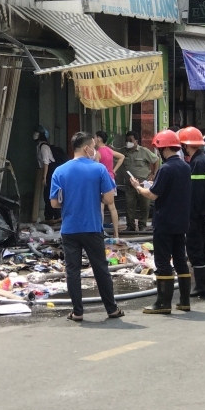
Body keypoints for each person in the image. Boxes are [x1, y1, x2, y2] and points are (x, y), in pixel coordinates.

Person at [50, 132, 123, 321]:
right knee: (100, 268)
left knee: (72, 271)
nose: (95, 150)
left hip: (69, 229)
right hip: (92, 227)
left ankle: (77, 312)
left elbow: (54, 204)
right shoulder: (99, 170)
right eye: (93, 146)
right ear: (86, 148)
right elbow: (108, 199)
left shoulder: (59, 171)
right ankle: (112, 309)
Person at [130, 130, 192, 314]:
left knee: (163, 261)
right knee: (180, 259)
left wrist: (138, 188)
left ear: (164, 148)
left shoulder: (166, 169)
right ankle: (184, 301)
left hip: (165, 221)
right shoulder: (185, 167)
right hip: (181, 221)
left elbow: (153, 194)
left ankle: (163, 303)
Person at [179, 126, 205, 297]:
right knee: (204, 249)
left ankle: (202, 286)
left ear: (187, 145)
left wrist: (188, 214)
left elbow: (195, 192)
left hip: (196, 215)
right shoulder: (204, 160)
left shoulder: (197, 163)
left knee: (195, 249)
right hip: (204, 213)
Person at [120, 130, 159, 233]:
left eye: (131, 140)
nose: (128, 142)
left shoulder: (144, 151)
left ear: (136, 141)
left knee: (144, 206)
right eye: (127, 140)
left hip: (143, 183)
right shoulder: (123, 152)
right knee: (129, 206)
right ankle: (130, 226)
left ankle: (142, 225)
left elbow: (156, 160)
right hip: (130, 184)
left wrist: (153, 174)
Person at [94, 131, 125, 238]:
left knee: (101, 207)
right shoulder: (109, 150)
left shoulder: (97, 153)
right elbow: (122, 157)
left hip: (101, 181)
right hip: (111, 180)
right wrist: (114, 170)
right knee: (112, 207)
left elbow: (97, 169)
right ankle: (116, 233)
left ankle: (100, 231)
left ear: (98, 138)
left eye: (95, 137)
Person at [34, 125, 60, 223]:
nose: (35, 134)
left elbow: (46, 162)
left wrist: (44, 176)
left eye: (37, 133)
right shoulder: (40, 145)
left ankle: (52, 217)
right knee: (49, 193)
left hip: (50, 170)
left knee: (48, 194)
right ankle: (51, 216)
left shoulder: (44, 146)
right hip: (49, 170)